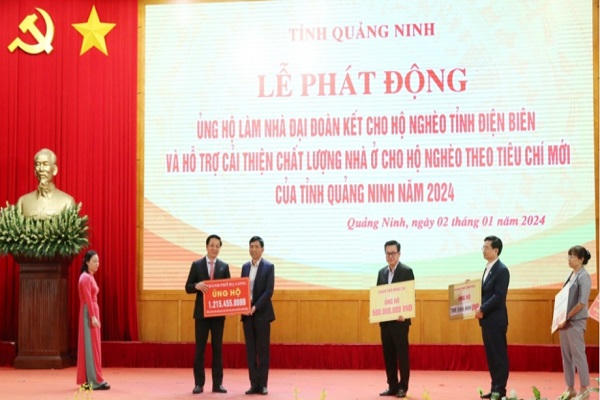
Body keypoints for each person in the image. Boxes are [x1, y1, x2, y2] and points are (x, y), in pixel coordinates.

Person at [185, 234, 231, 394]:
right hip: (201, 315)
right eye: (212, 245)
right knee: (200, 349)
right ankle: (199, 384)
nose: (214, 248)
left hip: (218, 315)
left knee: (218, 349)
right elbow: (188, 287)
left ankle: (218, 384)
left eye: (217, 246)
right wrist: (196, 286)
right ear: (206, 246)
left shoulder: (224, 266)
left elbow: (229, 290)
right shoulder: (197, 265)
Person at [377, 240, 414, 398]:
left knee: (402, 355)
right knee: (388, 354)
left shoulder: (406, 271)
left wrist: (405, 313)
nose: (390, 256)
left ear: (399, 254)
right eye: (388, 253)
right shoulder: (381, 272)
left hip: (400, 321)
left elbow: (409, 295)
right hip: (385, 321)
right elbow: (378, 296)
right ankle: (392, 386)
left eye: (393, 253)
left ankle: (403, 387)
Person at [475, 235, 509, 399]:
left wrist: (482, 308)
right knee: (491, 356)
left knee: (499, 356)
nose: (484, 250)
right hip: (487, 320)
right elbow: (485, 292)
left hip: (496, 320)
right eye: (483, 247)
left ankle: (500, 390)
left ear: (496, 250)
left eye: (486, 247)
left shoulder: (502, 270)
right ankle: (494, 387)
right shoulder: (488, 267)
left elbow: (498, 296)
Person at [241, 236, 275, 395]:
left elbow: (269, 291)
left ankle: (263, 385)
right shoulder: (245, 267)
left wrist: (254, 307)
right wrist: (242, 305)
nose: (253, 249)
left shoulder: (269, 267)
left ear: (262, 249)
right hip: (247, 315)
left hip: (261, 314)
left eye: (256, 246)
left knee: (262, 350)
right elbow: (241, 289)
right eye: (251, 246)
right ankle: (253, 384)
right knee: (250, 351)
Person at [557, 245, 592, 399]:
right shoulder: (571, 274)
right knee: (566, 356)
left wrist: (566, 317)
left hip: (575, 321)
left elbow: (581, 303)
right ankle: (570, 388)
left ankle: (584, 389)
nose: (569, 259)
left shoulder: (584, 276)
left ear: (581, 259)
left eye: (572, 256)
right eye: (569, 256)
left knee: (578, 355)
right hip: (564, 322)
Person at [76, 250, 110, 390]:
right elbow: (88, 299)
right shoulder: (85, 278)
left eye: (98, 261)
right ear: (87, 262)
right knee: (91, 347)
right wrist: (93, 316)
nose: (97, 264)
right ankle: (94, 381)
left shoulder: (89, 276)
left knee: (92, 346)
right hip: (89, 313)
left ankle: (91, 379)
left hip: (91, 312)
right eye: (94, 261)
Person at [17, 148, 75, 218]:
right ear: (35, 171)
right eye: (38, 164)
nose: (41, 169)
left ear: (55, 170)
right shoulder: (23, 201)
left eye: (45, 164)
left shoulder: (67, 202)